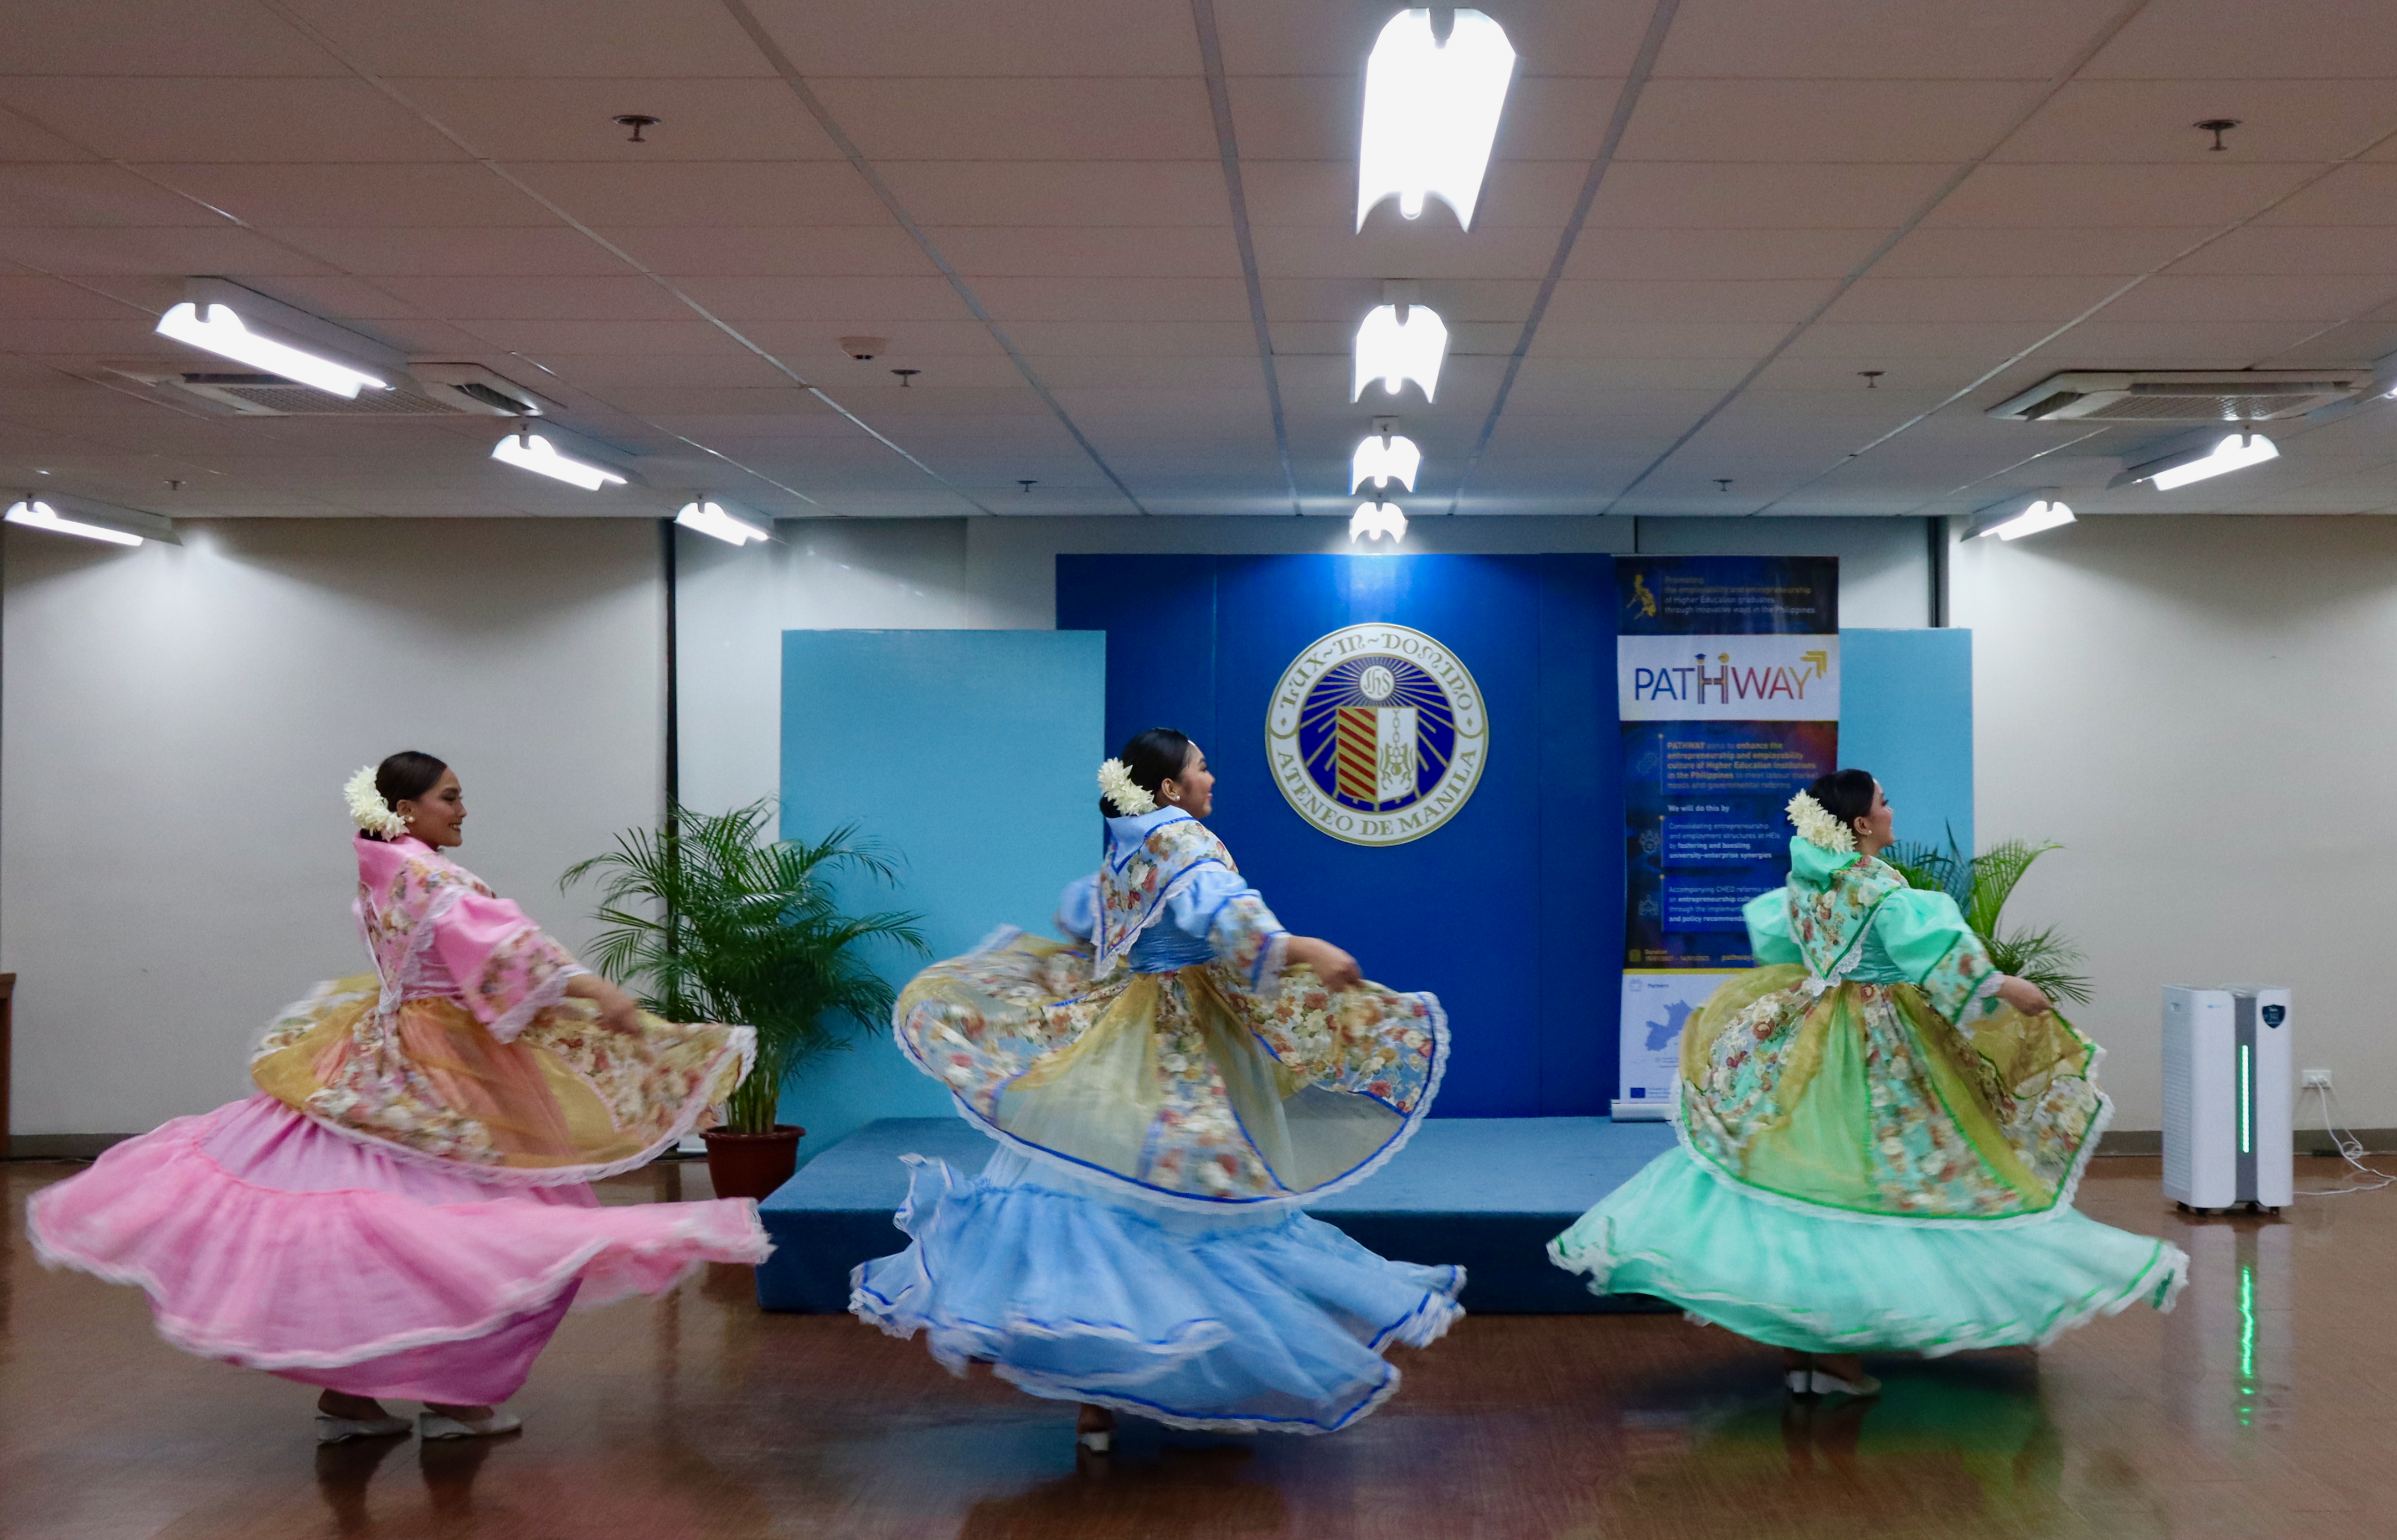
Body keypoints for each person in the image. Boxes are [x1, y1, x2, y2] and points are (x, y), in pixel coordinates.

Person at [28, 752, 768, 1444]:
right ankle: (455, 1398)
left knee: (392, 1227)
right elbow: (509, 952)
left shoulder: (383, 870)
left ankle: (354, 1397)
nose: (463, 810)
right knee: (481, 1234)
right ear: (406, 809)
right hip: (446, 1066)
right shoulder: (431, 878)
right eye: (451, 797)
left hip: (390, 1051)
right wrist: (596, 990)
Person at [852, 729, 1462, 1449]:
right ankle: (1188, 1362)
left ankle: (1095, 1398)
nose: (1212, 777)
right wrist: (1308, 949)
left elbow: (1080, 916)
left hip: (1122, 1031)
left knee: (1096, 1192)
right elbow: (1231, 921)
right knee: (1195, 1195)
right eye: (1202, 767)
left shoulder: (1127, 845)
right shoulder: (1184, 841)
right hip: (1176, 1038)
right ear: (1170, 788)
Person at [1551, 769, 2185, 1396]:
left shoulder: (1808, 885)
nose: (1891, 809)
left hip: (1805, 1040)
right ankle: (1835, 1361)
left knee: (1806, 1182)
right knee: (1870, 1185)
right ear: (1861, 823)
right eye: (1884, 801)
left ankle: (1807, 1354)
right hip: (1876, 1047)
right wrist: (2010, 989)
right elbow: (1938, 958)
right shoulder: (1880, 887)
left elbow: (1781, 944)